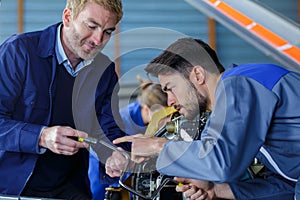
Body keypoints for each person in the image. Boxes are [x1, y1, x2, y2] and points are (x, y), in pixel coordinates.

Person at [106, 38, 300, 199]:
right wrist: (217, 190)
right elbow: (287, 185)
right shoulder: (229, 109)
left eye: (170, 88)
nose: (170, 101)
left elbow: (221, 163)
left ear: (197, 75)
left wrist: (159, 146)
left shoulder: (238, 82)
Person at [0, 0, 128, 199]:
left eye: (108, 31)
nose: (98, 39)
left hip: (71, 191)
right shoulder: (18, 52)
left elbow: (108, 129)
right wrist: (41, 137)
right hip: (10, 189)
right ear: (68, 17)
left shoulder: (105, 72)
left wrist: (116, 153)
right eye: (91, 26)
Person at [89, 78, 168, 199]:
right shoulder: (123, 122)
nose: (166, 123)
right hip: (102, 167)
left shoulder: (149, 121)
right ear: (147, 109)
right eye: (162, 117)